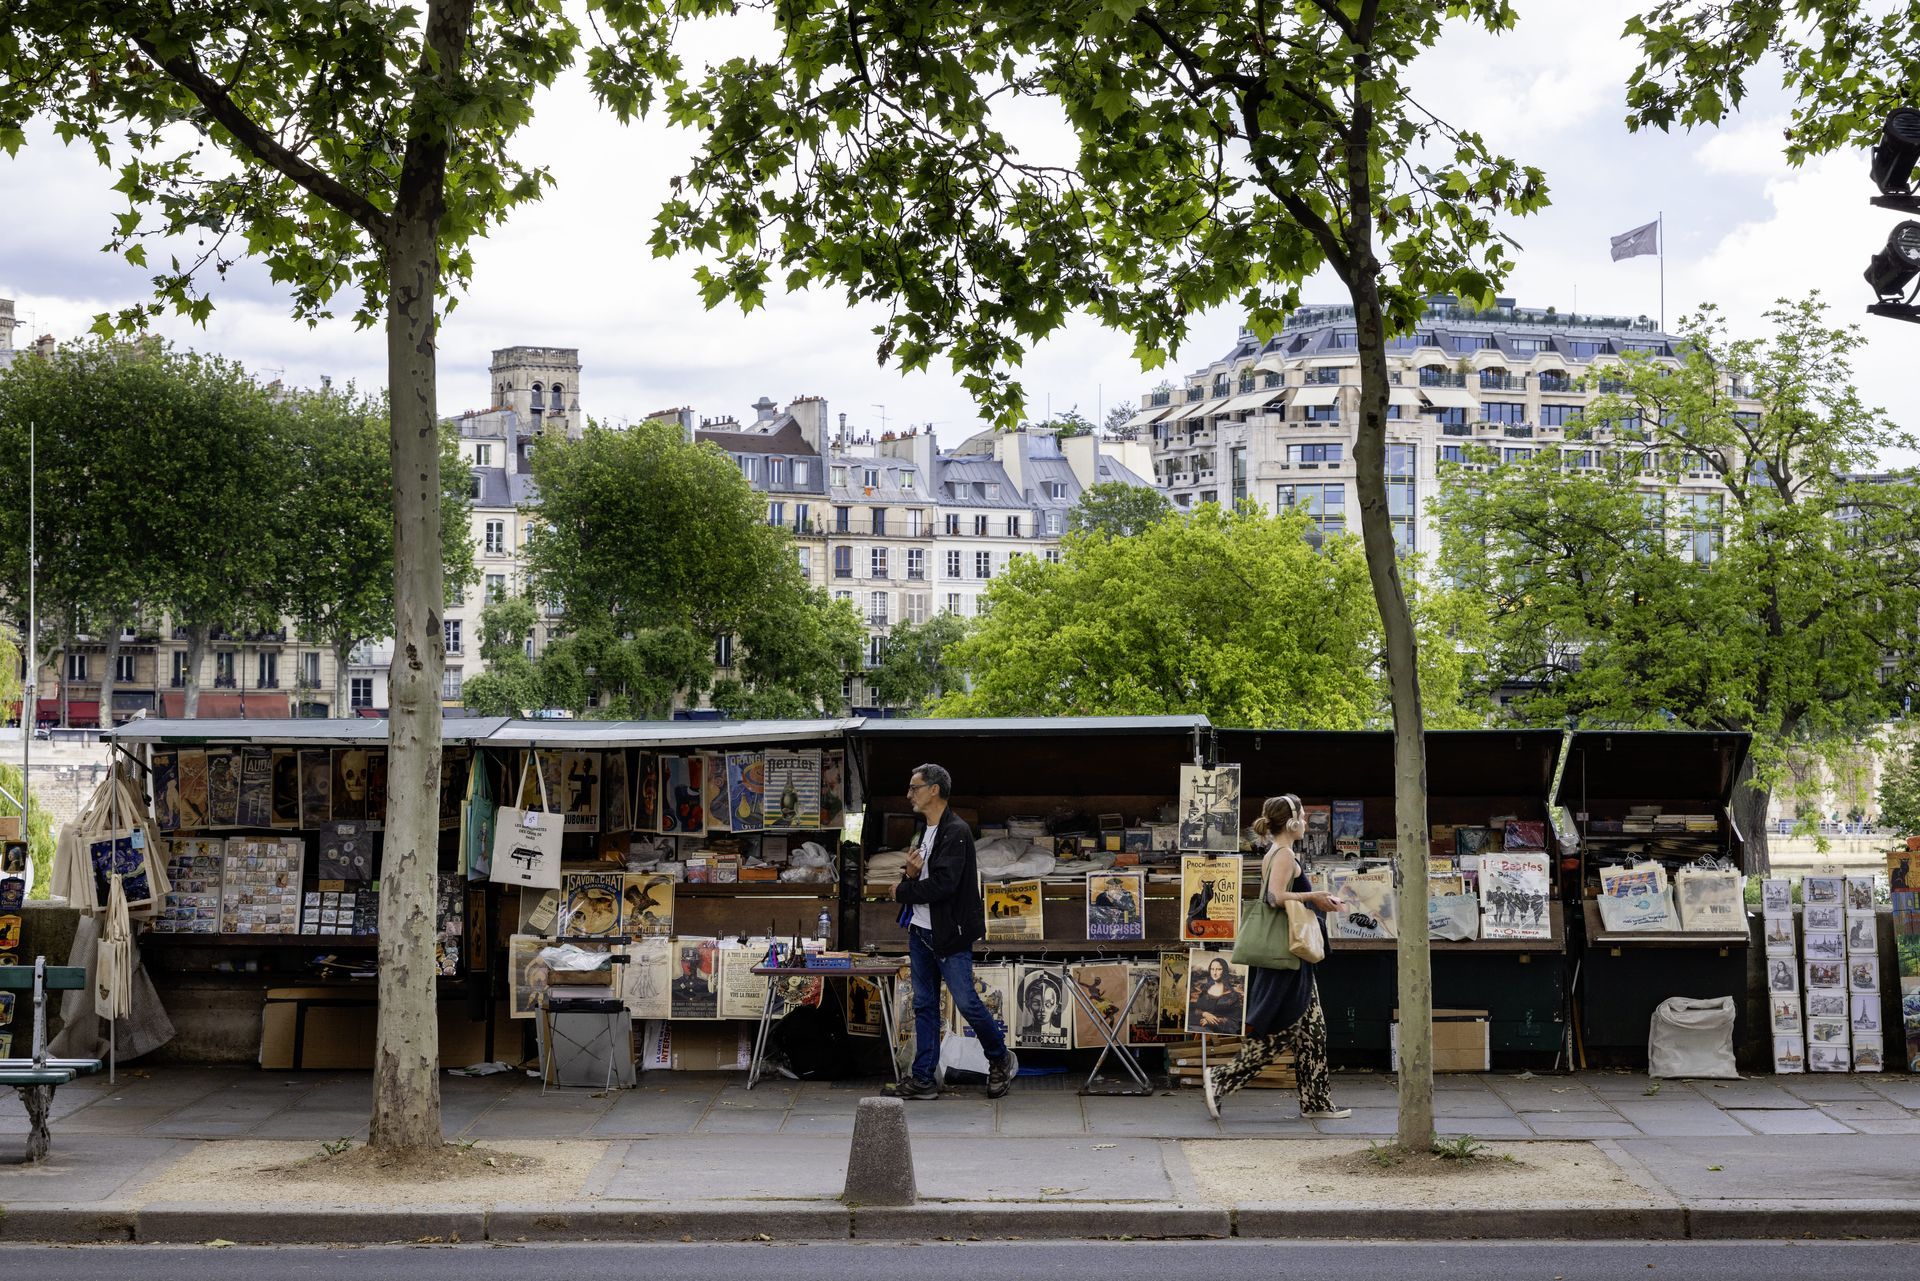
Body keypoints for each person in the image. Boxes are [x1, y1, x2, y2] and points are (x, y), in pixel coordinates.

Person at [1203, 793, 1351, 1121]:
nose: (1306, 819)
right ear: (1293, 821)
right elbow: (1274, 897)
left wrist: (1317, 897)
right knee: (1279, 1032)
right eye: (1302, 813)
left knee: (1313, 1030)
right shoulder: (1284, 854)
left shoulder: (1280, 852)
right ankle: (1221, 1079)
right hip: (1285, 955)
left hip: (1292, 955)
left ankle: (1316, 1102)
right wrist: (1314, 895)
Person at [888, 763, 1019, 1099]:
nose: (909, 794)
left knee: (967, 1002)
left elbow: (944, 885)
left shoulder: (956, 831)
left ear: (934, 790)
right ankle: (924, 1078)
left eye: (914, 787)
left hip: (949, 934)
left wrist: (901, 890)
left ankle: (999, 1059)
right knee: (925, 1005)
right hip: (920, 930)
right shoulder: (924, 832)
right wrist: (909, 876)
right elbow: (921, 877)